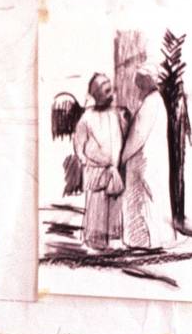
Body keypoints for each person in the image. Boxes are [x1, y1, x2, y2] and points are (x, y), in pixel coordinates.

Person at [120, 64, 176, 249]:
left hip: (144, 162)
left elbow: (137, 135)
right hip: (152, 160)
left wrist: (122, 157)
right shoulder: (155, 101)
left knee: (145, 198)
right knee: (152, 197)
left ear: (148, 81)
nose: (138, 87)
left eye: (140, 82)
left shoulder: (150, 103)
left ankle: (145, 241)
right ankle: (158, 238)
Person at [72, 73, 126, 250]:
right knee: (97, 204)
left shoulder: (114, 114)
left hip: (113, 169)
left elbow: (118, 139)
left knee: (115, 202)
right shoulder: (86, 118)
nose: (110, 92)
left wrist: (116, 164)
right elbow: (79, 143)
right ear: (96, 93)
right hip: (96, 169)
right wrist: (84, 159)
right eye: (105, 87)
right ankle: (95, 240)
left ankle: (114, 239)